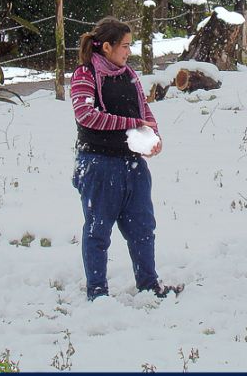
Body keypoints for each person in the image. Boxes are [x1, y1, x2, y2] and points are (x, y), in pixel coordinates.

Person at [70, 17, 180, 301]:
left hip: (133, 165)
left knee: (143, 227)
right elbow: (86, 115)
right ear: (106, 46)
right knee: (98, 231)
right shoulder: (85, 74)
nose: (129, 52)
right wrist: (129, 125)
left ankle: (149, 284)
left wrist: (153, 137)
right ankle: (97, 292)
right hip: (98, 164)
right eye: (125, 46)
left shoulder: (129, 74)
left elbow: (144, 110)